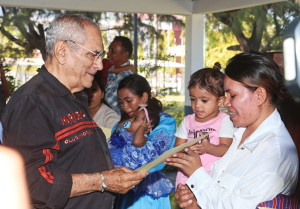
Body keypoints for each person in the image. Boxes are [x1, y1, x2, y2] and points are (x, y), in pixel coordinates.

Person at [1, 14, 147, 209]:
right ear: (62, 51)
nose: (99, 64)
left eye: (101, 56)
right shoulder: (33, 101)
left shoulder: (74, 96)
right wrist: (101, 180)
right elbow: (32, 181)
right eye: (93, 54)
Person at [165, 52, 299, 209]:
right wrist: (195, 202)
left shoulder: (273, 153)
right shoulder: (241, 132)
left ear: (260, 95)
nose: (225, 102)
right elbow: (219, 188)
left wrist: (196, 173)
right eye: (225, 94)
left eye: (232, 95)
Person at [113, 74, 177, 209]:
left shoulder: (164, 122)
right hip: (122, 191)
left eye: (129, 100)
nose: (125, 106)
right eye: (121, 102)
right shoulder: (122, 124)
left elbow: (148, 157)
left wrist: (117, 157)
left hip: (148, 195)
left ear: (144, 97)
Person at [174, 68, 234, 187]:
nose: (197, 105)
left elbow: (226, 149)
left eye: (204, 100)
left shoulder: (224, 121)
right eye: (193, 99)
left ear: (220, 101)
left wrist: (209, 148)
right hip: (186, 176)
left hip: (212, 178)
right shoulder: (187, 121)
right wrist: (185, 149)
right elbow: (177, 148)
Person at [105, 36, 135, 115]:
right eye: (109, 50)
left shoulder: (126, 77)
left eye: (113, 51)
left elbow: (108, 102)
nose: (108, 53)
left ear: (125, 55)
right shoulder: (109, 68)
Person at [85, 72, 120, 138]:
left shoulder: (110, 119)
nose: (89, 94)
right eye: (86, 90)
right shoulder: (78, 113)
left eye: (94, 90)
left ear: (102, 94)